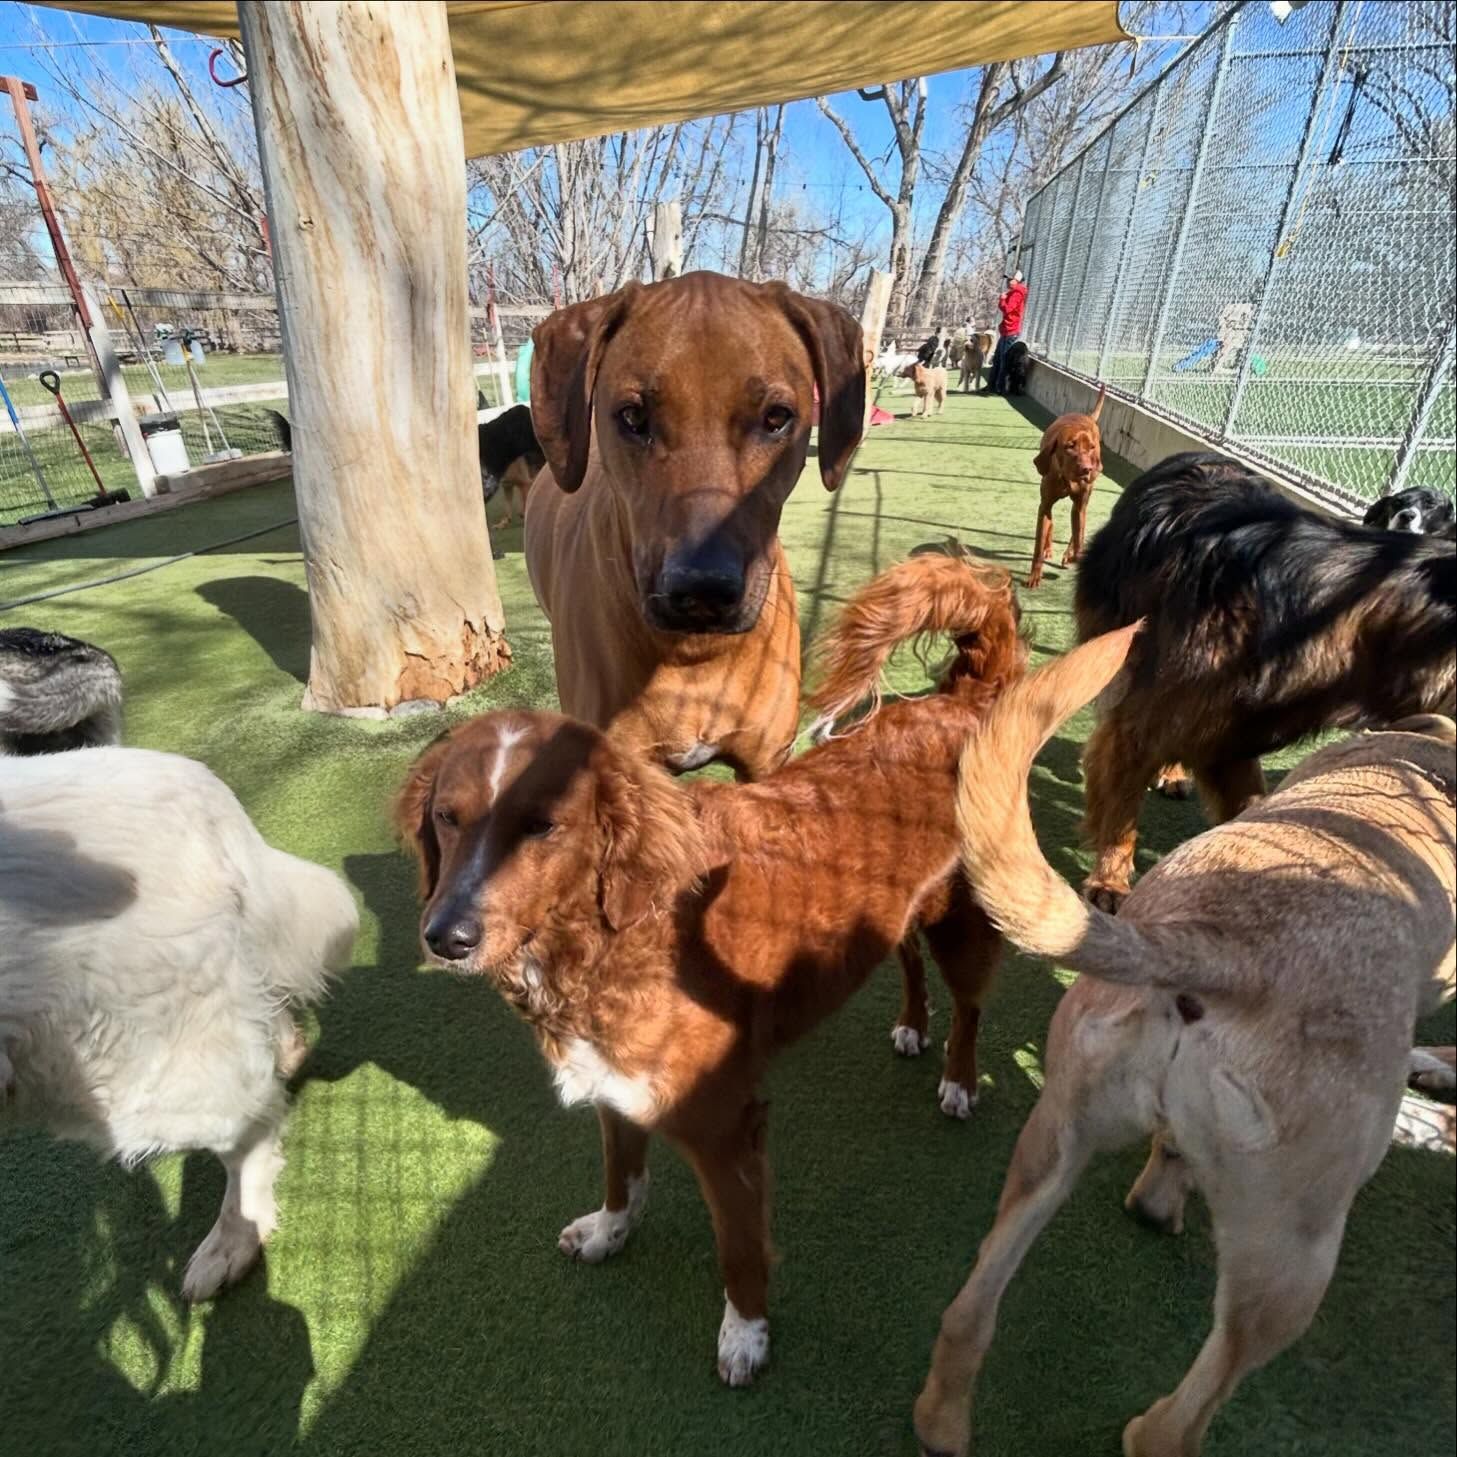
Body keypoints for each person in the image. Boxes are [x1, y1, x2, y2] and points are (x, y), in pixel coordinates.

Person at [982, 270, 1027, 396]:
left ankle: (999, 387)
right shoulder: (1012, 292)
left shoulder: (1017, 293)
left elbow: (1008, 309)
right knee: (997, 359)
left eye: (1010, 279)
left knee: (1003, 360)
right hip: (1006, 330)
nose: (1008, 281)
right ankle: (992, 385)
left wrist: (1002, 300)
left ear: (1017, 280)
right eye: (1007, 279)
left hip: (1011, 331)